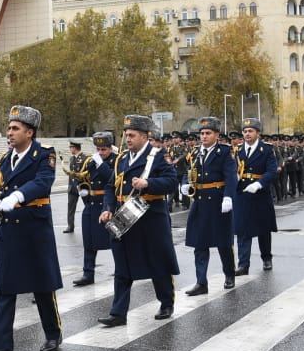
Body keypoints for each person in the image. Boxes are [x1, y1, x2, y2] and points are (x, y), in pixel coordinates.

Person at [0, 105, 63, 351]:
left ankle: (53, 334)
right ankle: (2, 347)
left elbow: (43, 182)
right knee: (5, 288)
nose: (9, 132)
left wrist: (18, 195)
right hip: (9, 228)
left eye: (15, 128)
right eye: (9, 128)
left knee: (42, 286)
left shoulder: (44, 155)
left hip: (34, 228)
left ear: (30, 132)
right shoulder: (5, 158)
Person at [98, 116, 180, 324]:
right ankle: (118, 313)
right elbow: (110, 187)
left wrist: (148, 182)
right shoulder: (121, 158)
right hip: (125, 216)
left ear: (144, 136)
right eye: (126, 135)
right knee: (122, 264)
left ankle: (166, 302)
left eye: (132, 135)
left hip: (150, 217)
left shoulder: (158, 156)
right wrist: (108, 208)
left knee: (158, 262)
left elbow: (172, 181)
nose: (128, 139)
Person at [181, 117, 237, 296]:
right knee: (200, 244)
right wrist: (184, 183)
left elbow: (231, 177)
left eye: (208, 133)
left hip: (219, 203)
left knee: (223, 244)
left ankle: (229, 275)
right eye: (202, 133)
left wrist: (228, 197)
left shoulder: (224, 152)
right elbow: (189, 172)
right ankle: (201, 282)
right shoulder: (196, 152)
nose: (204, 137)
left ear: (217, 135)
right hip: (200, 203)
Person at [234, 118, 278, 276]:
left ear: (258, 133)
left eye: (250, 131)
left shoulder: (266, 149)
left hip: (260, 194)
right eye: (245, 131)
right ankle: (243, 264)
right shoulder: (237, 150)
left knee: (263, 229)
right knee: (242, 230)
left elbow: (272, 171)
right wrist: (234, 179)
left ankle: (266, 257)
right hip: (242, 194)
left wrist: (259, 184)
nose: (247, 134)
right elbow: (232, 169)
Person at [72, 132, 115, 287]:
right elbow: (83, 178)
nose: (101, 152)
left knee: (115, 240)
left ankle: (122, 269)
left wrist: (101, 164)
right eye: (98, 149)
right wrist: (82, 190)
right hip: (91, 204)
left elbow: (113, 178)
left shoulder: (116, 160)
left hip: (108, 205)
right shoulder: (91, 161)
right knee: (89, 241)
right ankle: (88, 273)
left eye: (104, 149)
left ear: (110, 148)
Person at [63, 140, 84, 233]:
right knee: (70, 207)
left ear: (74, 148)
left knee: (88, 206)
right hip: (72, 187)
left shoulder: (85, 158)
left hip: (82, 186)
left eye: (70, 147)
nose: (70, 149)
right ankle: (70, 226)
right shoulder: (72, 159)